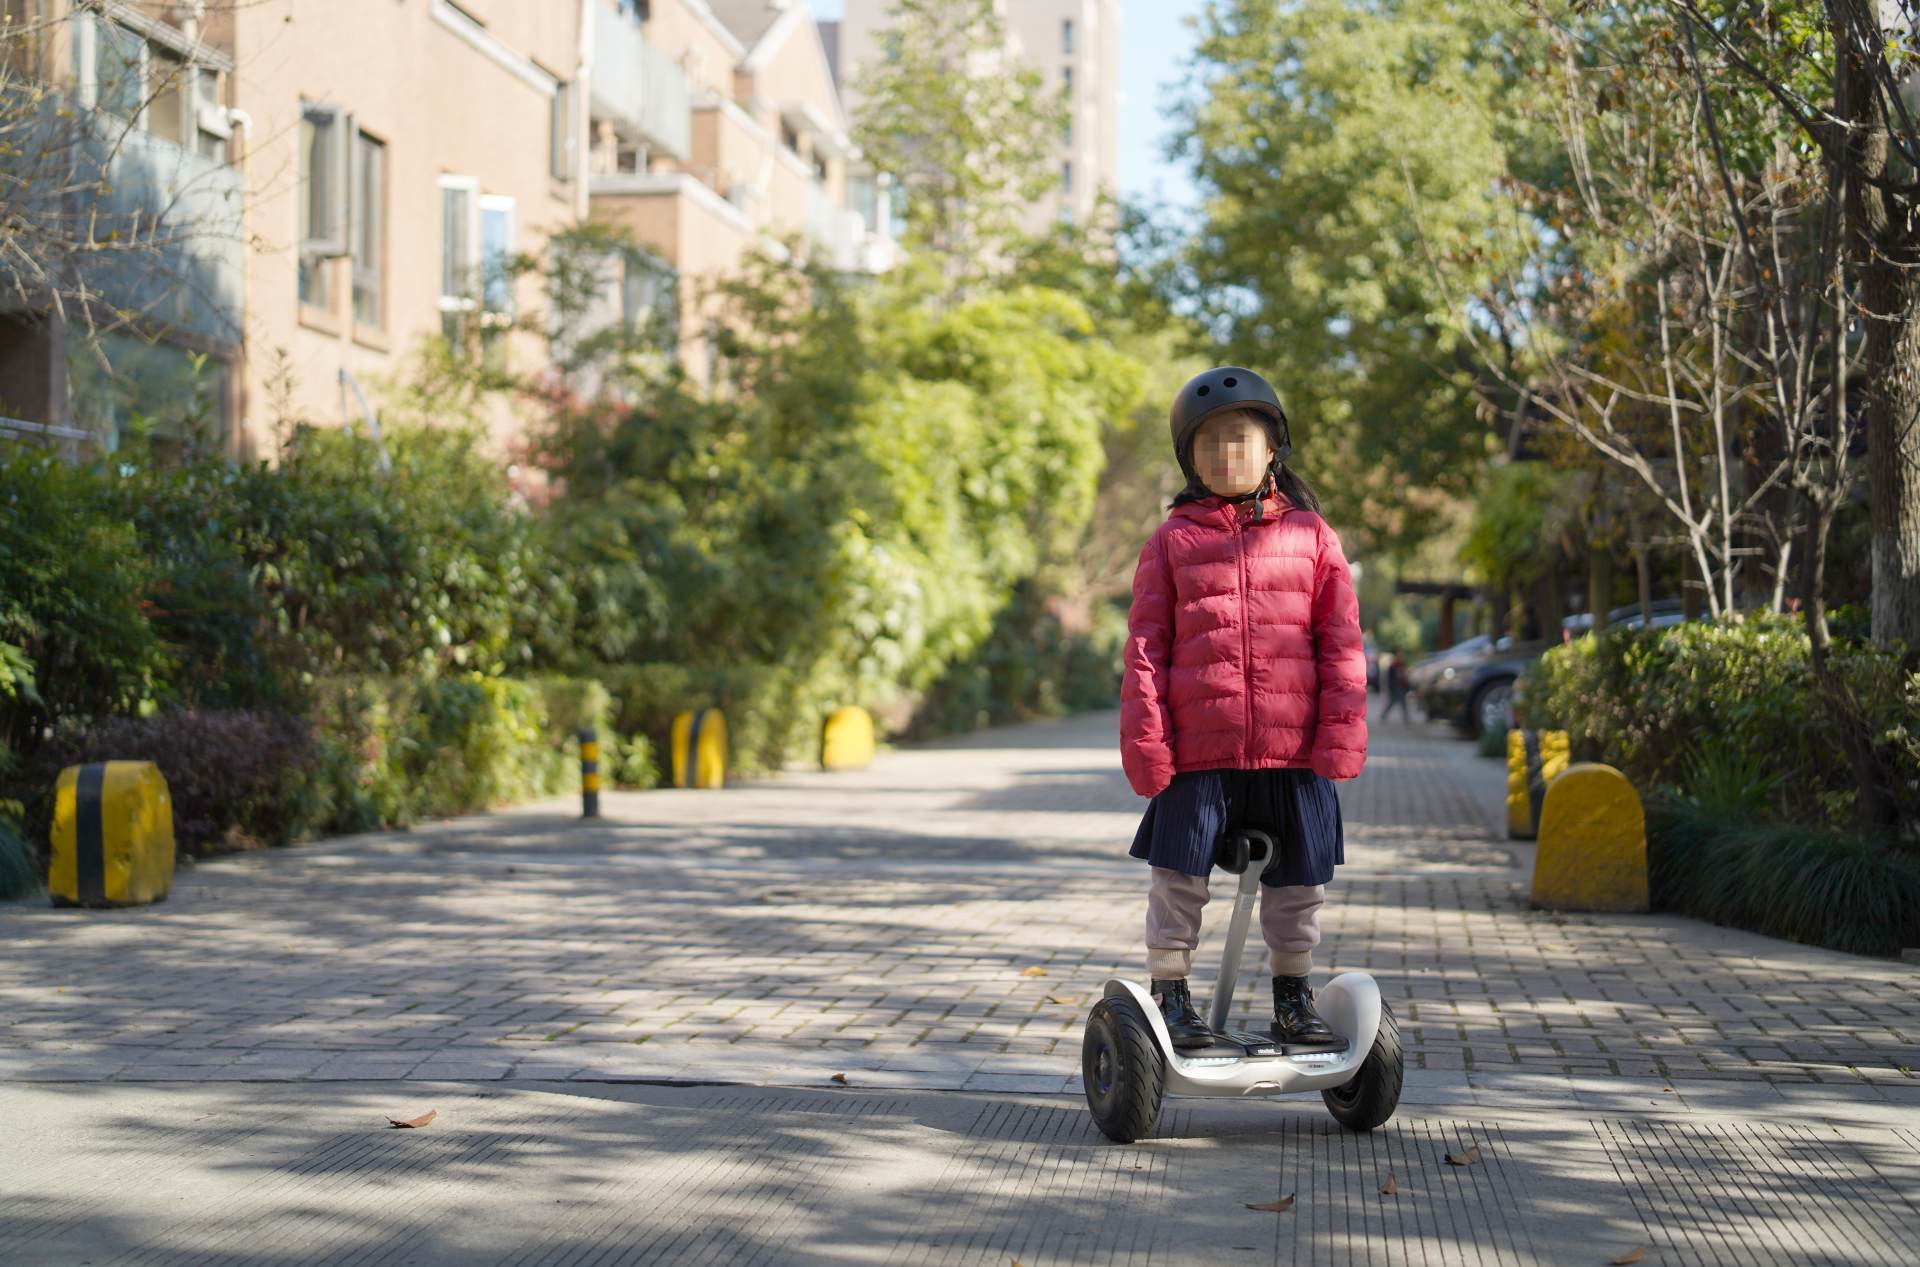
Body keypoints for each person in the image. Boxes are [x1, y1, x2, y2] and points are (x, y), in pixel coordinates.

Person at [1119, 366, 1368, 1051]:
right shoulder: (1172, 542)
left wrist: (1340, 736)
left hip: (1294, 753)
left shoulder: (1312, 536)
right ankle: (1170, 994)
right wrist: (1148, 743)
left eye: (1240, 438)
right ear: (1190, 462)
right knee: (1178, 877)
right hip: (1200, 751)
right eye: (1209, 444)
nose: (1226, 454)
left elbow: (1341, 643)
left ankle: (1294, 994)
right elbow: (1146, 646)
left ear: (1272, 448)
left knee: (1299, 883)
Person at [1381, 650, 1413, 722]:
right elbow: (1389, 678)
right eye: (1399, 655)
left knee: (1401, 703)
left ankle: (1406, 718)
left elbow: (1406, 676)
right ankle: (1406, 718)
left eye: (1401, 655)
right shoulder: (1393, 666)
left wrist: (1407, 686)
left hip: (1402, 687)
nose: (1401, 656)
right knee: (1393, 703)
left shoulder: (1403, 664)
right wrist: (1390, 688)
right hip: (1395, 687)